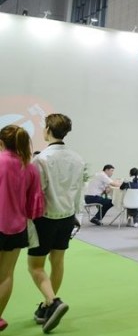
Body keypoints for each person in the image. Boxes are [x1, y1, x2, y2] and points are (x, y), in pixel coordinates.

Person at [28, 113, 85, 333]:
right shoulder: (77, 158)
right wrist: (77, 215)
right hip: (67, 216)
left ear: (47, 130)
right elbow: (78, 189)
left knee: (35, 266)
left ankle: (53, 302)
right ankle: (46, 306)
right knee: (58, 261)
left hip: (45, 218)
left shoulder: (41, 159)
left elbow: (37, 192)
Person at [0, 125, 44, 332]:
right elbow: (35, 205)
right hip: (17, 228)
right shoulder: (29, 167)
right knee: (6, 275)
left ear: (1, 143)